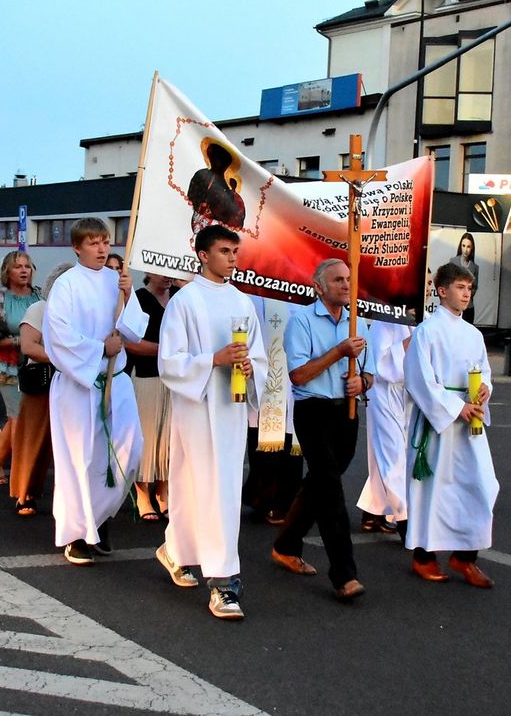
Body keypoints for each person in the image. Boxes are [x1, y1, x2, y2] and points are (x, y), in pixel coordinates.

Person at [155, 225, 268, 620]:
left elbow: (260, 355)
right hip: (197, 406)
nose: (233, 259)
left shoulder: (242, 302)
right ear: (203, 254)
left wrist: (250, 367)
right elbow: (169, 361)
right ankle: (206, 570)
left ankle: (219, 578)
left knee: (222, 490)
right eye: (225, 251)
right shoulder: (184, 302)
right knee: (193, 485)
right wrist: (212, 361)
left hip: (231, 406)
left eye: (236, 251)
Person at [44, 217, 147, 565]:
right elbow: (58, 335)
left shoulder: (115, 282)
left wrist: (129, 294)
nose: (102, 248)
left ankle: (100, 518)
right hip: (80, 383)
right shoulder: (67, 285)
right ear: (77, 247)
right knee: (81, 459)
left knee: (129, 450)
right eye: (93, 242)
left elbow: (132, 329)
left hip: (116, 380)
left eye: (105, 241)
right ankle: (77, 533)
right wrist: (99, 348)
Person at [272, 259, 375, 602]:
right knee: (331, 491)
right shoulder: (301, 320)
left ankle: (286, 544)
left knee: (320, 482)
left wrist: (362, 382)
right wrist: (338, 352)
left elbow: (369, 373)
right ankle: (344, 575)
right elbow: (298, 375)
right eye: (338, 280)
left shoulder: (357, 322)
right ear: (319, 286)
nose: (346, 285)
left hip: (345, 412)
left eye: (348, 279)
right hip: (313, 410)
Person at [403, 263, 498, 587]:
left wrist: (485, 389)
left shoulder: (473, 334)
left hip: (470, 423)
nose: (466, 293)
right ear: (441, 291)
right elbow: (420, 380)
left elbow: (483, 371)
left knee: (482, 485)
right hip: (440, 424)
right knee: (434, 490)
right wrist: (456, 407)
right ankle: (423, 557)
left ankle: (465, 554)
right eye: (460, 287)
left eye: (469, 288)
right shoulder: (427, 331)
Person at [0, 251, 42, 481]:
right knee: (17, 415)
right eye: (18, 267)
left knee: (31, 418)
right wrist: (19, 341)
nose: (24, 270)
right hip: (7, 365)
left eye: (27, 266)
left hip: (36, 364)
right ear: (7, 272)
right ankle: (1, 463)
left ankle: (5, 462)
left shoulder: (40, 297)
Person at [11, 262, 73, 516]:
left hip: (72, 381)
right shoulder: (40, 308)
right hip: (44, 382)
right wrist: (65, 359)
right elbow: (28, 346)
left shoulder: (78, 312)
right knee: (34, 438)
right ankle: (25, 492)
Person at [241, 295, 304, 526]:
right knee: (266, 444)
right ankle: (264, 500)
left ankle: (286, 501)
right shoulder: (255, 296)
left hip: (296, 380)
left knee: (292, 444)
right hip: (267, 382)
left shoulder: (298, 295)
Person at [356, 317, 415, 536]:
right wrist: (409, 344)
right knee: (392, 454)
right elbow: (379, 365)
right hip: (384, 392)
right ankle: (405, 521)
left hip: (408, 394)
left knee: (402, 453)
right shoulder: (386, 323)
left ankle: (373, 512)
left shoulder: (419, 321)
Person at [124, 271, 175, 520]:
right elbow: (130, 341)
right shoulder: (139, 299)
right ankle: (142, 491)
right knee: (147, 434)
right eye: (162, 272)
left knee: (169, 436)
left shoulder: (179, 297)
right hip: (146, 374)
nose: (167, 277)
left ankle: (163, 488)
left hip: (175, 378)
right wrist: (165, 351)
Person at [187, 139, 246, 234]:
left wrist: (233, 192)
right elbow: (192, 197)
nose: (220, 163)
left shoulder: (227, 185)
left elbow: (231, 212)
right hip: (202, 223)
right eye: (217, 158)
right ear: (211, 157)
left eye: (224, 160)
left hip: (217, 229)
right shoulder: (202, 175)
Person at [449, 232, 480, 323]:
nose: (465, 250)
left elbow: (475, 287)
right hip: (454, 307)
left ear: (472, 248)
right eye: (463, 246)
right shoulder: (453, 261)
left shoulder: (475, 267)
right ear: (460, 246)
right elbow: (449, 283)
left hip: (468, 308)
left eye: (468, 247)